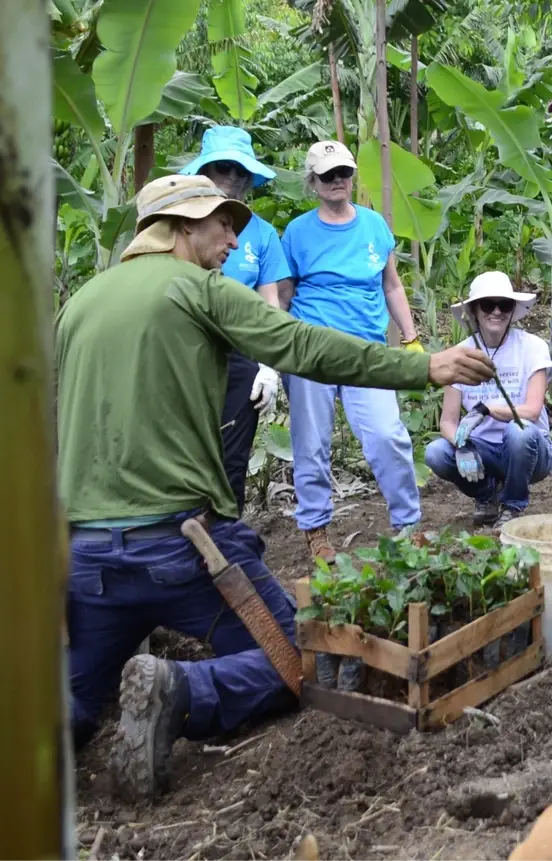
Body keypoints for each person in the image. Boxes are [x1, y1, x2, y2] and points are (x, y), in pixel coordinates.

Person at [56, 173, 494, 801]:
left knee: (76, 697)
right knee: (304, 660)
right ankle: (183, 692)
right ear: (180, 227)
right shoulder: (199, 290)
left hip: (87, 561)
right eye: (221, 223)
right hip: (182, 551)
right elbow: (299, 344)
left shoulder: (80, 304)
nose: (233, 240)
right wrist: (422, 365)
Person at [279, 140, 425, 563]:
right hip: (312, 350)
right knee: (311, 445)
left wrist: (411, 336)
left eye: (343, 172)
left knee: (387, 435)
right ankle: (316, 531)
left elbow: (391, 284)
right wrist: (275, 355)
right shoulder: (298, 232)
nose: (337, 181)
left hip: (367, 349)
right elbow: (285, 294)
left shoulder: (375, 225)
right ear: (313, 182)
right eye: (327, 175)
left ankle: (408, 525)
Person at [180, 125, 290, 513]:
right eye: (223, 168)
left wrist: (270, 366)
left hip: (240, 359)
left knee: (231, 455)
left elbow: (270, 304)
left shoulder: (260, 235)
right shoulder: (181, 223)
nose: (232, 179)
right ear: (205, 172)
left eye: (241, 171)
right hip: (183, 352)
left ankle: (224, 538)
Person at [425, 271, 552, 529]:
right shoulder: (460, 354)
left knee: (520, 432)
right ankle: (487, 496)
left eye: (504, 304)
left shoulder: (533, 346)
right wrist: (461, 445)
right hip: (483, 450)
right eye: (487, 304)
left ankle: (513, 505)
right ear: (473, 311)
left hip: (530, 449)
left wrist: (486, 409)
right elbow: (448, 421)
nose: (496, 311)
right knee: (436, 452)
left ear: (513, 309)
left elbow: (532, 409)